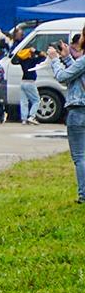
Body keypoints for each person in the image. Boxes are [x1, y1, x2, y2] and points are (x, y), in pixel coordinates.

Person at [53, 31, 85, 204]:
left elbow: (63, 77)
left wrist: (54, 60)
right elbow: (78, 74)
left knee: (80, 156)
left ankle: (83, 195)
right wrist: (66, 59)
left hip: (79, 110)